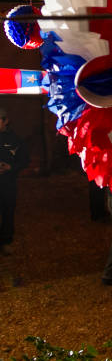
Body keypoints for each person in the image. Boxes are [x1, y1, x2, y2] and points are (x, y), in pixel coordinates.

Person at [0, 107, 29, 256]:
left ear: (6, 121)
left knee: (8, 211)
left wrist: (11, 167)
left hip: (8, 183)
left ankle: (6, 241)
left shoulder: (15, 140)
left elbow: (24, 160)